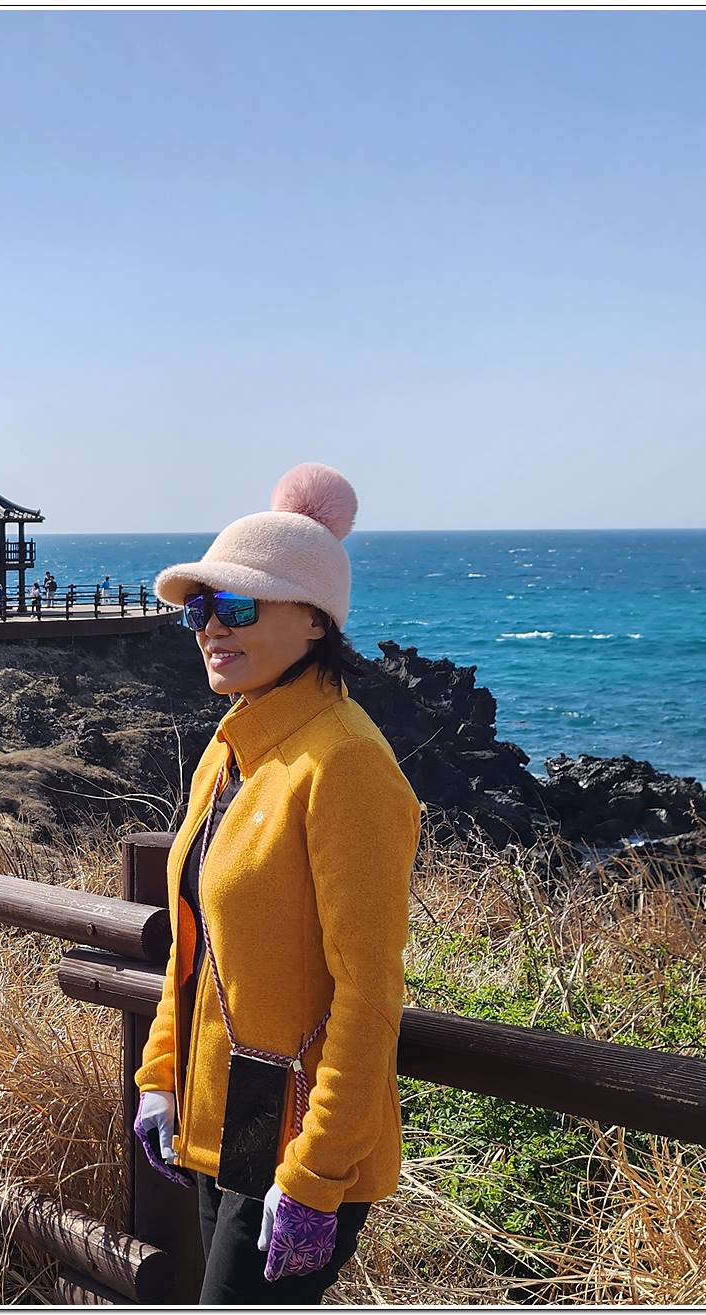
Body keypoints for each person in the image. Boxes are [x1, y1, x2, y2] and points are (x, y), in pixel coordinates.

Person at [132, 463, 420, 1304]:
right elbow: (193, 942)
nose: (213, 627)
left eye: (239, 605)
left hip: (299, 1144)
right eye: (200, 609)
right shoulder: (233, 750)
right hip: (224, 1119)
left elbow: (369, 990)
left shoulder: (346, 762)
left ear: (315, 619)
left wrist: (318, 1173)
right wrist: (161, 1074)